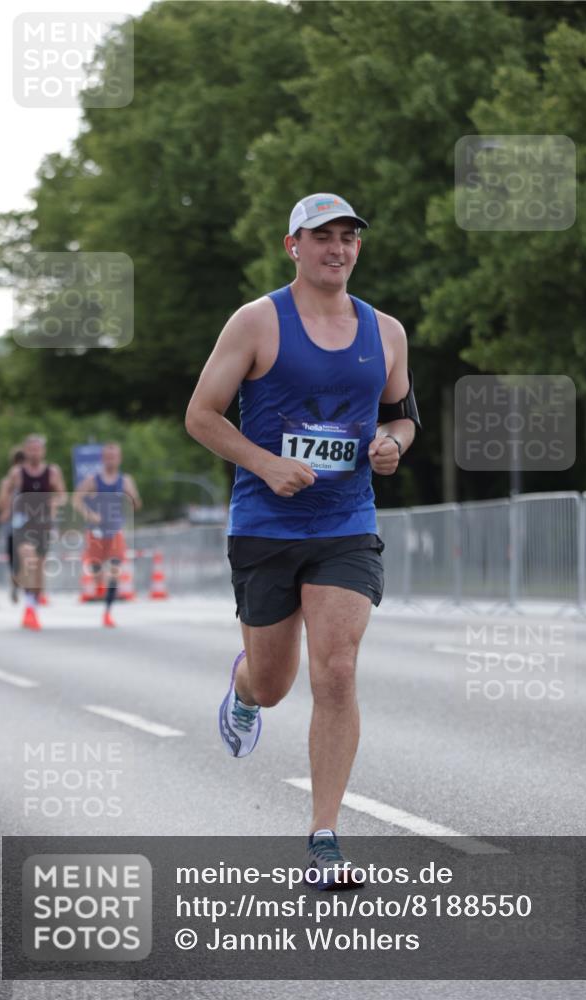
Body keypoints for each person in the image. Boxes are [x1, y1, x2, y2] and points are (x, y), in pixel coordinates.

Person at [186, 192, 421, 888]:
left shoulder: (385, 332)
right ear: (293, 245)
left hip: (346, 523)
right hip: (264, 525)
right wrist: (262, 462)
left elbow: (403, 417)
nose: (337, 249)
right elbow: (201, 415)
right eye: (322, 237)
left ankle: (324, 835)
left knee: (338, 670)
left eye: (348, 237)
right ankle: (244, 689)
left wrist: (389, 444)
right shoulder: (257, 322)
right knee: (275, 681)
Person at [0, 434, 67, 630]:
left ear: (43, 451)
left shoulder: (52, 472)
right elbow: (5, 494)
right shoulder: (17, 473)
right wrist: (6, 505)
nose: (35, 452)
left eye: (38, 449)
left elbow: (62, 495)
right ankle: (29, 609)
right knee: (28, 562)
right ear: (26, 451)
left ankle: (32, 606)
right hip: (23, 525)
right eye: (31, 449)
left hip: (43, 524)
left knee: (38, 571)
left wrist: (54, 503)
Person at [73, 442, 142, 627]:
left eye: (114, 456)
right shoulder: (93, 480)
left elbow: (137, 504)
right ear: (103, 458)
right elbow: (76, 499)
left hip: (115, 531)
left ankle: (108, 612)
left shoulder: (125, 480)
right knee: (96, 570)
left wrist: (133, 497)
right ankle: (100, 588)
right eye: (108, 456)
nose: (111, 460)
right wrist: (90, 514)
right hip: (95, 532)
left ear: (119, 459)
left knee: (114, 569)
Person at [0, 447, 24, 603]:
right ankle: (16, 583)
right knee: (14, 560)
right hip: (12, 526)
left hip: (28, 525)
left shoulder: (30, 479)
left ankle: (23, 584)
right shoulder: (6, 481)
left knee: (27, 556)